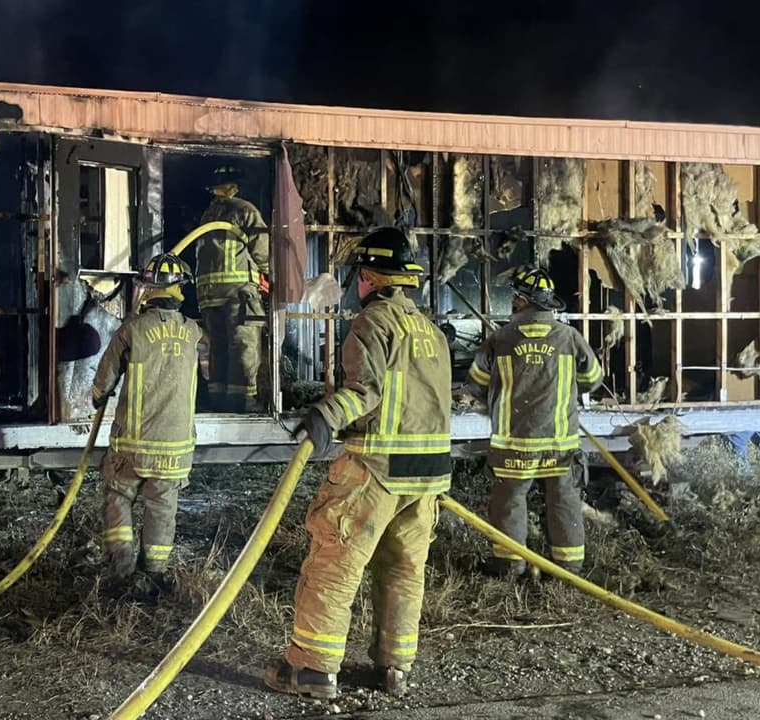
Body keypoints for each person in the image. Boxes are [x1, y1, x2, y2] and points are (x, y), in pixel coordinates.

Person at [265, 227, 450, 700]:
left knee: (335, 562)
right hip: (426, 476)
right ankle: (395, 669)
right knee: (404, 569)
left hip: (377, 470)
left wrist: (325, 416)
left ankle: (311, 669)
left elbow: (367, 392)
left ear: (368, 277)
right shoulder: (432, 332)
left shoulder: (373, 323)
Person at [468, 266, 602, 578]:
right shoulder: (569, 337)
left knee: (509, 503)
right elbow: (592, 380)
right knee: (564, 500)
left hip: (514, 442)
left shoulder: (499, 339)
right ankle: (568, 567)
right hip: (560, 442)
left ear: (520, 300)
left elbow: (476, 385)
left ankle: (509, 565)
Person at [91, 253, 203, 582]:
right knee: (162, 507)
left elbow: (103, 379)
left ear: (147, 289)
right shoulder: (194, 332)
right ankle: (154, 574)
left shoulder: (133, 329)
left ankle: (122, 569)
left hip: (133, 444)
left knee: (118, 496)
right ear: (180, 289)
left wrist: (98, 397)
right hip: (176, 447)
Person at [194, 165, 270, 413]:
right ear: (234, 186)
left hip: (208, 295)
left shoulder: (208, 215)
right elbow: (262, 249)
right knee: (243, 345)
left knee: (219, 348)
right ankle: (244, 402)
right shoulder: (244, 210)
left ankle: (219, 401)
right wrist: (270, 274)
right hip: (238, 293)